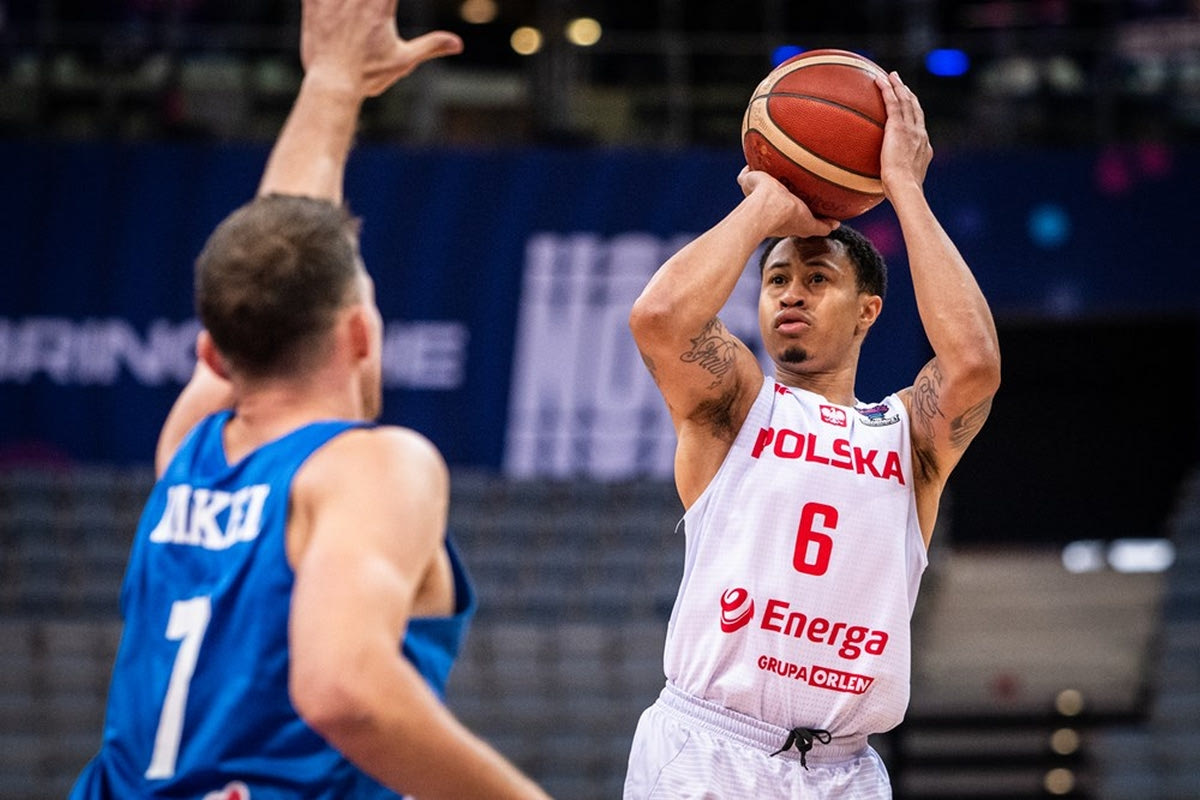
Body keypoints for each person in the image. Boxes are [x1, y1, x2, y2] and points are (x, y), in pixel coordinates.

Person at [69, 1, 552, 798]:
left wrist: (332, 82)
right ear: (359, 333)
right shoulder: (369, 467)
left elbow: (268, 256)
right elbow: (343, 693)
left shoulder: (191, 447)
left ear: (213, 353)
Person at [623, 70, 1001, 799]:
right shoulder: (736, 407)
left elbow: (975, 364)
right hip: (708, 751)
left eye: (818, 278)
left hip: (845, 769)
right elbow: (660, 318)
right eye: (776, 280)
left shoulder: (907, 438)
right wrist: (763, 209)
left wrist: (905, 188)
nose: (791, 292)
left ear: (867, 310)